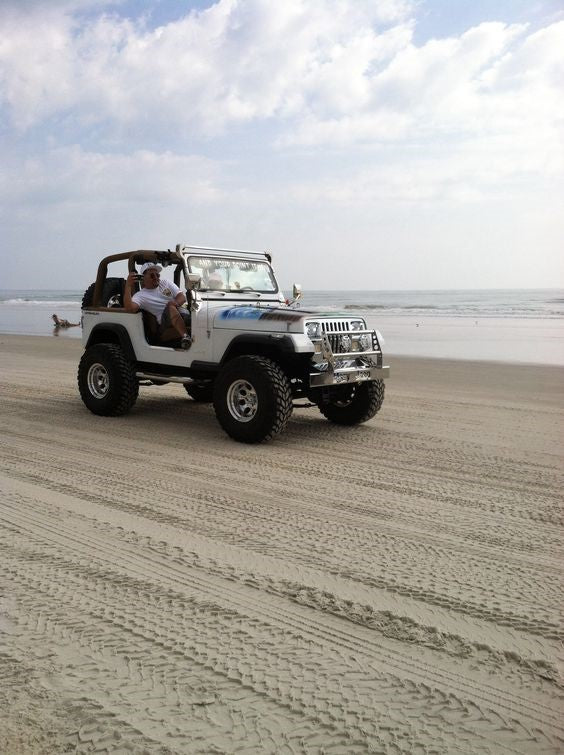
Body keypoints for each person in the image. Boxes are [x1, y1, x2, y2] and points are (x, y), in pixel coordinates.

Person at [124, 262, 191, 348]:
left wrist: (176, 303)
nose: (156, 278)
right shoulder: (140, 295)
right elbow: (130, 309)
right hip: (164, 324)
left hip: (181, 314)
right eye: (152, 276)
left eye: (157, 275)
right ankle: (186, 337)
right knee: (170, 306)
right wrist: (128, 286)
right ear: (143, 278)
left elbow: (181, 297)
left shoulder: (165, 283)